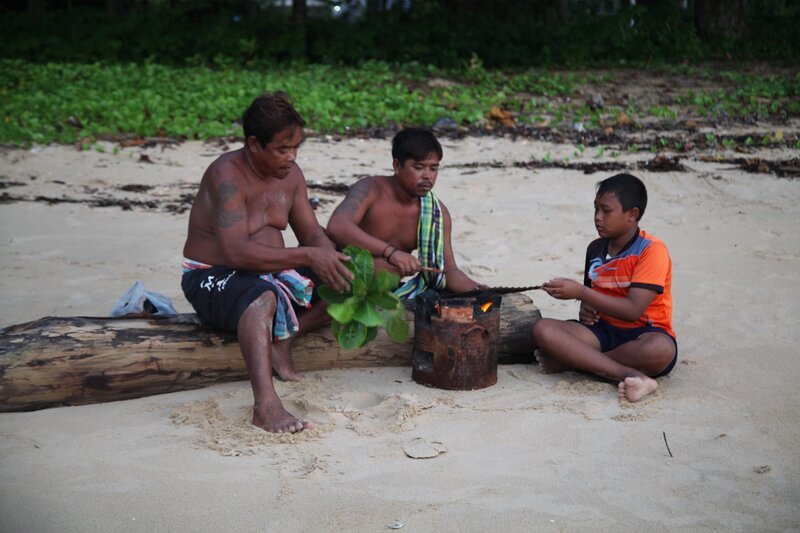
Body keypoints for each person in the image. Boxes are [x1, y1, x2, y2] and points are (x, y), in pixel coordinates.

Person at [181, 92, 353, 433]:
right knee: (262, 297)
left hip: (271, 273)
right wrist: (308, 255)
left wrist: (329, 256)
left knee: (347, 283)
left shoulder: (291, 176)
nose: (291, 157)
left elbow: (311, 234)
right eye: (282, 149)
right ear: (254, 144)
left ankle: (283, 342)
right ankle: (266, 405)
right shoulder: (226, 175)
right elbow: (235, 253)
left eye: (296, 148)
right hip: (211, 277)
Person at [531, 173, 677, 402]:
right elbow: (594, 297)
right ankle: (627, 373)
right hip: (602, 331)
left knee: (660, 350)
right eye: (595, 209)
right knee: (543, 329)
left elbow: (633, 310)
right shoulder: (595, 249)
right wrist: (585, 307)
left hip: (644, 333)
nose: (598, 217)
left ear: (632, 214)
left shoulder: (652, 250)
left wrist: (580, 293)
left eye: (606, 211)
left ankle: (579, 362)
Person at [326, 127, 482, 298]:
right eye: (419, 167)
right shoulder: (370, 189)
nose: (427, 176)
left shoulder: (436, 214)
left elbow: (448, 271)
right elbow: (337, 226)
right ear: (397, 166)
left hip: (386, 291)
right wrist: (391, 253)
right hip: (339, 276)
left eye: (433, 168)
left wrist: (479, 290)